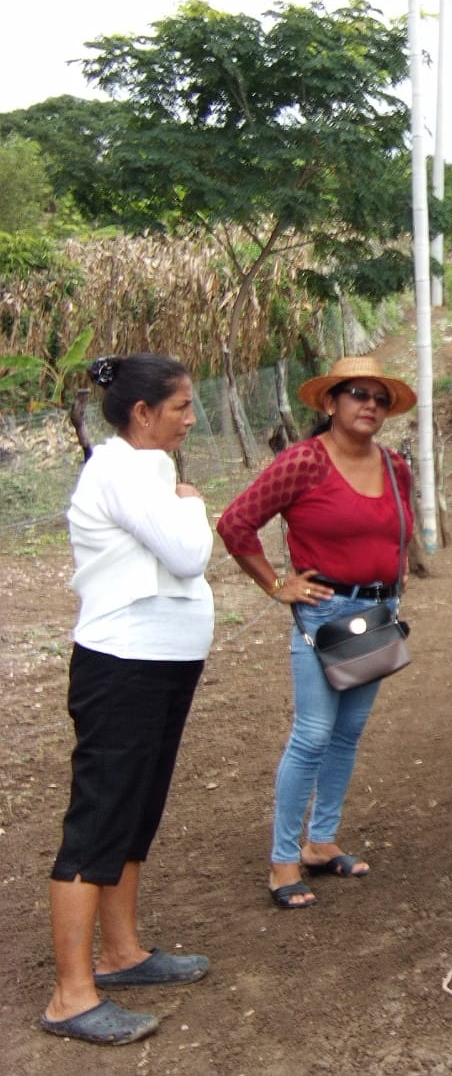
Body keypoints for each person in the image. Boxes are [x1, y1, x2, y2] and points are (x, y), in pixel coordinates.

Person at [41, 354, 214, 1046]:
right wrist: (193, 505)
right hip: (122, 666)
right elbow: (188, 555)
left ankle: (121, 953)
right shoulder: (121, 470)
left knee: (136, 810)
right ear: (142, 413)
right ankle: (70, 995)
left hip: (161, 663)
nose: (190, 419)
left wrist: (180, 500)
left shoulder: (149, 469)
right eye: (180, 407)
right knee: (101, 818)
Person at [217, 356, 416, 910]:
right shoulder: (304, 462)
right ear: (331, 402)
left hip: (376, 613)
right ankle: (283, 858)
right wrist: (275, 584)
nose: (370, 405)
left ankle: (321, 840)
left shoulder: (395, 465)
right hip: (323, 611)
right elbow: (235, 523)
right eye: (358, 394)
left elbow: (399, 528)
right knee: (312, 733)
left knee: (348, 733)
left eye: (380, 398)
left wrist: (393, 575)